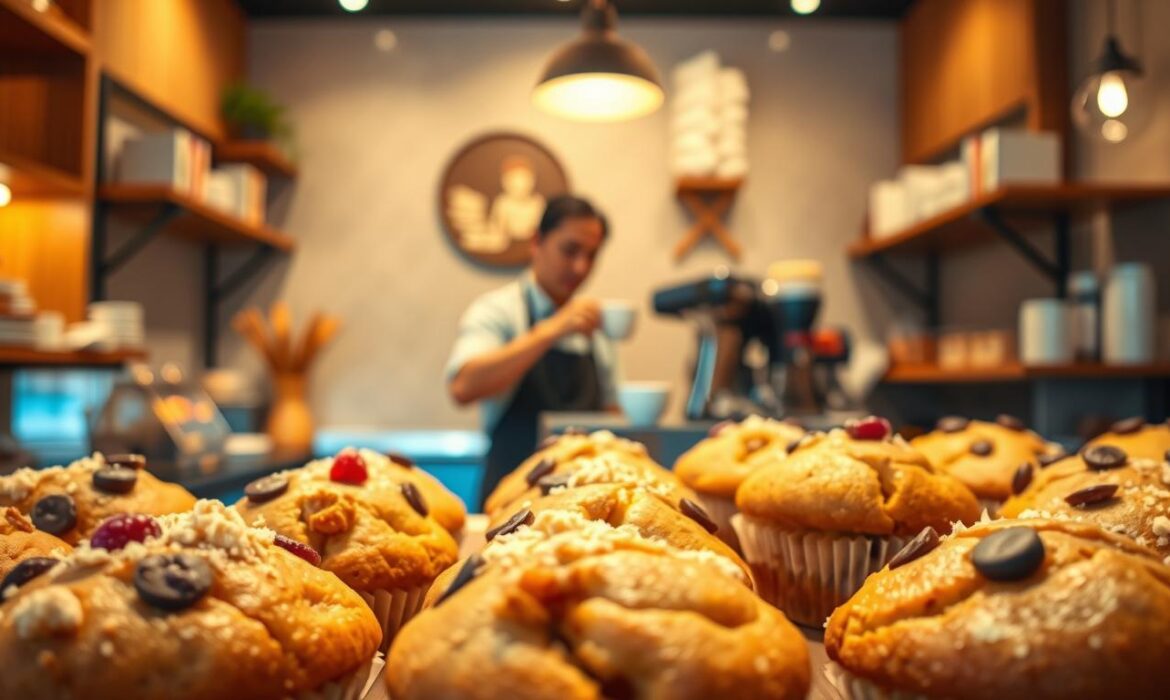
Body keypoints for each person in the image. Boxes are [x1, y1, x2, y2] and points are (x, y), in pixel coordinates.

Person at [446, 195, 617, 508]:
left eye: (592, 255)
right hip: (508, 502)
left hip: (583, 502)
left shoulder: (596, 329)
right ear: (537, 242)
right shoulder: (498, 310)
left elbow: (613, 411)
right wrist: (550, 331)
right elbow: (462, 387)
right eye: (570, 250)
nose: (581, 267)